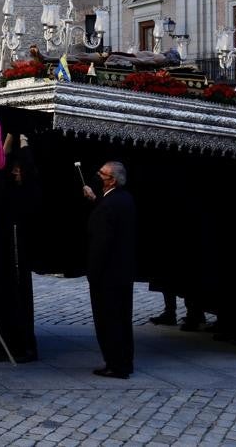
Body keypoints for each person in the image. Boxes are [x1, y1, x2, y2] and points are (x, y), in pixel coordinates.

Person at [82, 161, 137, 379]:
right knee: (122, 319)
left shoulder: (109, 205)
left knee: (109, 321)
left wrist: (92, 273)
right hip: (123, 272)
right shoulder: (124, 199)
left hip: (107, 275)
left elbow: (101, 242)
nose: (98, 176)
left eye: (102, 173)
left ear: (112, 179)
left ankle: (115, 364)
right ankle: (125, 360)